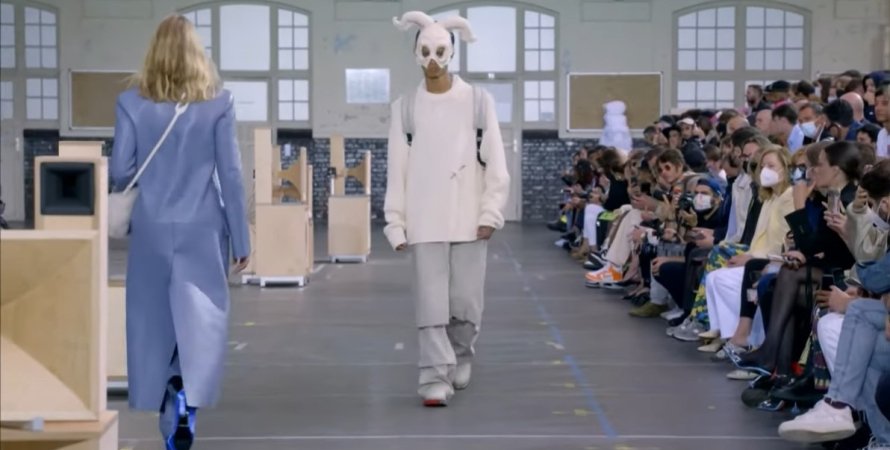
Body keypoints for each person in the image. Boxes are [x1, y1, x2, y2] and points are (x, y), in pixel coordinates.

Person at [109, 15, 250, 450]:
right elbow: (230, 174)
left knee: (153, 319)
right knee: (201, 318)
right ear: (196, 52)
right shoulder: (219, 103)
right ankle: (188, 392)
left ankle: (167, 398)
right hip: (203, 227)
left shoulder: (130, 103)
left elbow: (121, 170)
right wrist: (241, 238)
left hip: (152, 227)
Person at [385, 11, 510, 407]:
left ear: (452, 53)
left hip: (469, 218)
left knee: (466, 301)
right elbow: (397, 168)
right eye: (425, 51)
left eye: (440, 51)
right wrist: (395, 221)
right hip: (424, 219)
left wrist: (491, 212)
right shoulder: (405, 108)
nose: (433, 60)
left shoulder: (477, 101)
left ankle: (461, 354)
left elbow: (496, 160)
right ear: (415, 54)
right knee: (431, 302)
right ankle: (434, 376)